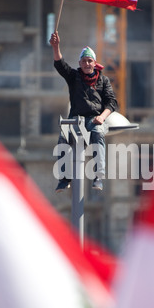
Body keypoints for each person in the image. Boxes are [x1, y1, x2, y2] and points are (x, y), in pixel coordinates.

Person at [49, 31, 118, 192]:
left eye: (89, 61)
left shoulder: (103, 80)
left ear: (94, 63)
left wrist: (102, 117)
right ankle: (64, 178)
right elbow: (60, 64)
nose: (87, 64)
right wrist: (56, 46)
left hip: (94, 119)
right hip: (75, 119)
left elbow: (112, 102)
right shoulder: (74, 77)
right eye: (84, 61)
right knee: (63, 137)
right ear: (80, 63)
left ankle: (98, 176)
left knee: (97, 133)